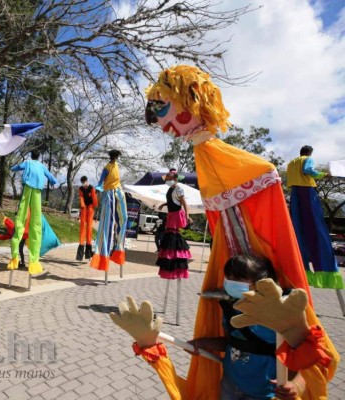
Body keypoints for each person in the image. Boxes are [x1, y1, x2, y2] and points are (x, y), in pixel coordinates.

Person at [115, 64, 338, 398]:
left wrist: (295, 384)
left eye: (162, 108)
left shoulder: (242, 167)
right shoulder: (206, 164)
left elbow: (308, 361)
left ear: (190, 103)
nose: (161, 123)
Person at [189, 255, 306, 400]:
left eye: (238, 278)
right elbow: (231, 343)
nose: (230, 282)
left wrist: (296, 386)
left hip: (266, 393)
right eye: (228, 277)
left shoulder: (281, 314)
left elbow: (308, 359)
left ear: (261, 282)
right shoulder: (230, 309)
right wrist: (202, 343)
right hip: (230, 386)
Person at [286, 146, 343, 289]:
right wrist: (322, 175)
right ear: (310, 153)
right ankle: (325, 270)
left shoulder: (292, 163)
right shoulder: (307, 159)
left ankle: (302, 270)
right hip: (306, 191)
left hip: (295, 194)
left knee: (298, 227)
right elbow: (308, 171)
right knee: (315, 225)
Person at [7, 149, 58, 275]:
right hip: (37, 191)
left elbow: (19, 167)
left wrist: (12, 168)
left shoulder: (28, 163)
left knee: (22, 213)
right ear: (39, 156)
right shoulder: (42, 166)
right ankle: (34, 260)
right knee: (36, 218)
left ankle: (15, 258)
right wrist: (54, 182)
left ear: (31, 156)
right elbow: (50, 176)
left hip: (28, 188)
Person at [90, 149, 128, 271]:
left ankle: (118, 249)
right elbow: (101, 181)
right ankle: (103, 256)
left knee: (124, 218)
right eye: (113, 156)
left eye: (116, 156)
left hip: (118, 192)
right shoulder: (107, 167)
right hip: (109, 194)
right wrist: (97, 190)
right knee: (107, 225)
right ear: (111, 156)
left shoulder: (116, 165)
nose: (114, 158)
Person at [156, 171, 192, 279]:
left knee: (173, 234)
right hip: (171, 213)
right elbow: (172, 200)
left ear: (175, 179)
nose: (167, 180)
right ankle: (170, 255)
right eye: (167, 178)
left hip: (176, 214)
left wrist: (187, 215)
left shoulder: (178, 189)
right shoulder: (170, 189)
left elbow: (183, 203)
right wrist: (163, 204)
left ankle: (175, 255)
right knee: (169, 233)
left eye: (169, 178)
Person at [77, 176, 98, 261]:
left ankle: (89, 253)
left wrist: (95, 209)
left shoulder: (92, 188)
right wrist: (82, 207)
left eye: (84, 182)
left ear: (87, 181)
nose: (83, 184)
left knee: (89, 228)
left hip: (90, 208)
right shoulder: (80, 189)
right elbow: (81, 198)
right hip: (84, 208)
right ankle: (81, 251)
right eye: (82, 183)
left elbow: (94, 199)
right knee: (82, 227)